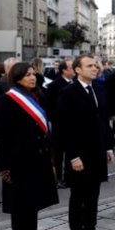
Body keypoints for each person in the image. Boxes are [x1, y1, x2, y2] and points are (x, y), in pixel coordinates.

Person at [0, 62, 59, 230]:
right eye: (27, 75)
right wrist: (4, 166)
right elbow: (2, 136)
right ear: (17, 77)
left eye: (33, 74)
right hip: (18, 162)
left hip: (38, 160)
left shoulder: (39, 96)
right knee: (20, 209)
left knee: (33, 207)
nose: (33, 77)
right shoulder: (7, 100)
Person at [55, 54, 115, 230]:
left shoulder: (99, 88)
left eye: (95, 65)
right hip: (79, 154)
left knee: (93, 195)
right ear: (78, 70)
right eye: (89, 66)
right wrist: (72, 156)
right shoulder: (68, 92)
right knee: (78, 195)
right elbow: (64, 128)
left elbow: (104, 121)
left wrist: (108, 147)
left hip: (97, 151)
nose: (94, 68)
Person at [45, 59, 74, 188]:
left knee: (70, 152)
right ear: (64, 70)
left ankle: (68, 177)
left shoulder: (75, 83)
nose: (74, 70)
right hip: (59, 125)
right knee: (58, 154)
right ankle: (58, 178)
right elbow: (49, 106)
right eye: (72, 68)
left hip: (71, 126)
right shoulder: (54, 85)